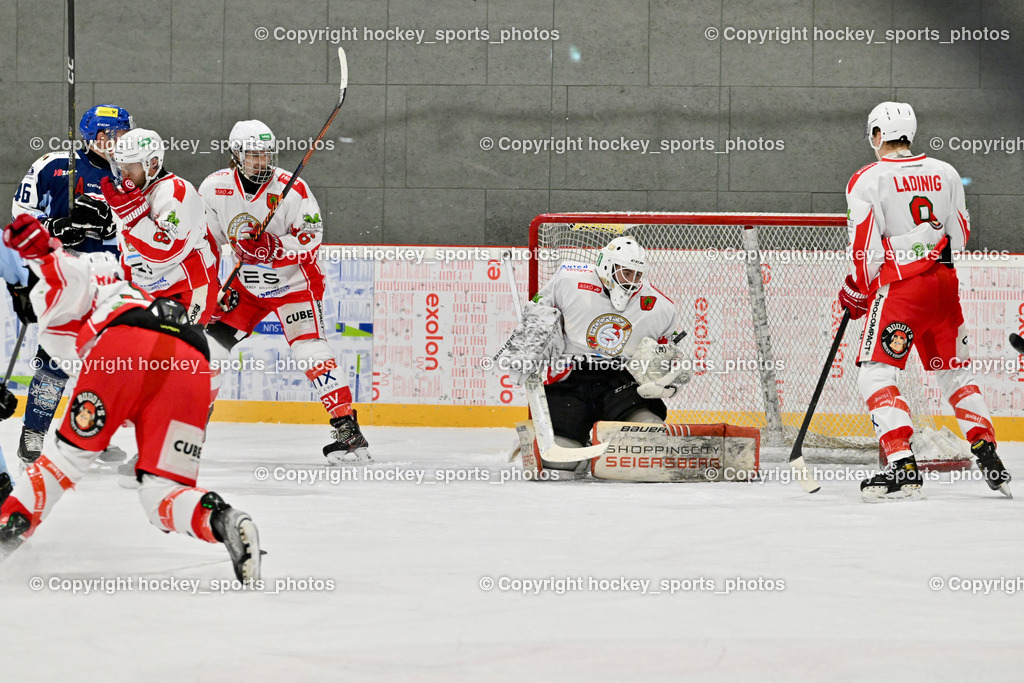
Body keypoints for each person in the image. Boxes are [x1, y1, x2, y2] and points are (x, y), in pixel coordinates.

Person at [0, 214, 260, 580]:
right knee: (164, 495)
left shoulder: (55, 289)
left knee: (62, 463)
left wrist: (40, 251)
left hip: (124, 345)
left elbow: (65, 275)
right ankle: (223, 519)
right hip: (194, 358)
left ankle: (2, 539)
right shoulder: (123, 281)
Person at [838, 101, 1011, 502]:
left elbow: (866, 251)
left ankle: (901, 466)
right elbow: (961, 235)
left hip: (902, 293)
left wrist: (857, 289)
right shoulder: (947, 172)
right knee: (955, 374)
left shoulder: (867, 179)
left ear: (877, 134)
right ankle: (987, 450)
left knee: (875, 374)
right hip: (944, 287)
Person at [198, 119, 369, 464]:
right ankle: (188, 427)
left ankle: (348, 430)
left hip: (294, 284)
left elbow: (310, 240)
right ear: (236, 155)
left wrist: (273, 247)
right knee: (207, 350)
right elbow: (207, 243)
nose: (262, 161)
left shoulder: (293, 189)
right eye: (253, 155)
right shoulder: (214, 188)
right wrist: (213, 287)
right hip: (245, 287)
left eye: (266, 154)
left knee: (309, 350)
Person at [494, 236, 689, 478]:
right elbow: (538, 314)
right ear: (607, 266)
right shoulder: (568, 281)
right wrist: (525, 350)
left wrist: (664, 383)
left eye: (638, 274)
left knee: (649, 438)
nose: (634, 281)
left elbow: (667, 356)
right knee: (558, 464)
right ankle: (571, 447)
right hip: (572, 380)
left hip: (621, 380)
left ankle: (607, 449)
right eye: (627, 273)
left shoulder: (660, 307)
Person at [11, 104, 133, 464]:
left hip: (111, 280)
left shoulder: (132, 169)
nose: (121, 141)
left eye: (124, 134)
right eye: (115, 135)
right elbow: (21, 216)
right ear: (96, 137)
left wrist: (110, 226)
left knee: (104, 361)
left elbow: (141, 227)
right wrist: (54, 228)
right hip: (65, 275)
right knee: (55, 358)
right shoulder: (53, 165)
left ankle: (89, 431)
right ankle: (34, 431)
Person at [100, 128, 220, 324]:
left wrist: (135, 219)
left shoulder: (177, 191)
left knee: (175, 351)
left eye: (130, 167)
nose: (124, 175)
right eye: (121, 167)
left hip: (186, 290)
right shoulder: (127, 196)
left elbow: (166, 251)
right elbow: (128, 252)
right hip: (147, 292)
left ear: (153, 164)